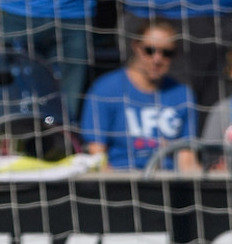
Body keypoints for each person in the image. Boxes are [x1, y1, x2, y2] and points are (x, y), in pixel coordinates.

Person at [79, 22, 198, 170]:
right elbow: (97, 155)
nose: (157, 59)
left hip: (170, 181)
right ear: (136, 46)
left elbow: (187, 159)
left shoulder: (182, 94)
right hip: (120, 178)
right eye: (150, 50)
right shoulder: (105, 89)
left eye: (167, 53)